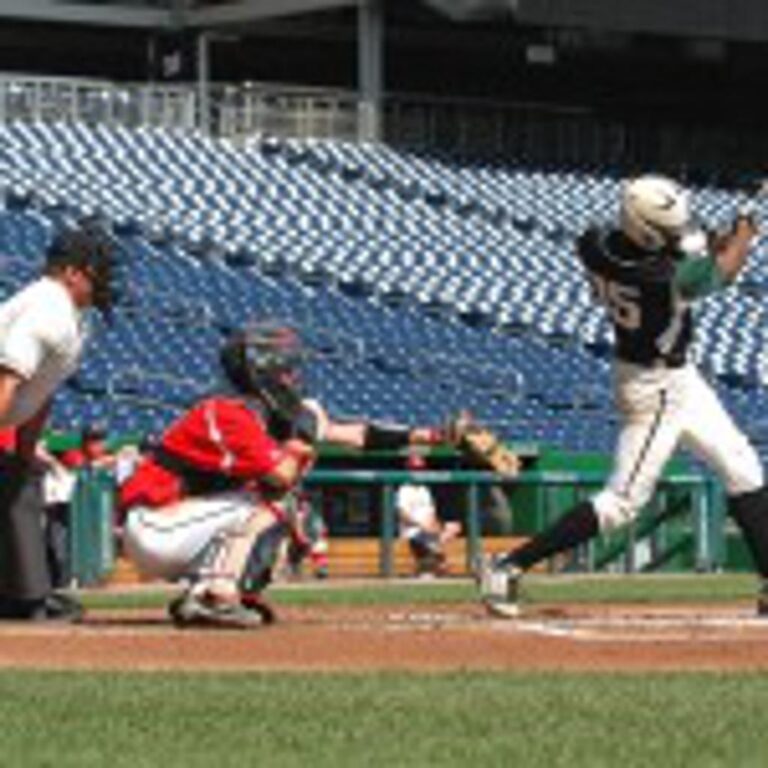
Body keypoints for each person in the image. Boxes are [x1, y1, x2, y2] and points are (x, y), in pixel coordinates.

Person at [480, 174, 768, 616]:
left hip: (672, 376)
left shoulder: (597, 243)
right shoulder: (660, 276)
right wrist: (745, 234)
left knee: (742, 466)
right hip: (655, 390)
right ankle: (508, 565)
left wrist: (720, 236)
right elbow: (721, 270)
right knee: (622, 503)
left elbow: (691, 248)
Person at [118, 320, 444, 628]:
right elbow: (283, 476)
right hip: (155, 524)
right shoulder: (227, 412)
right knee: (279, 503)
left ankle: (210, 592)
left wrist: (432, 435)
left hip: (184, 524)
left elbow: (357, 435)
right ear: (262, 374)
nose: (293, 378)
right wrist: (302, 437)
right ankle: (216, 595)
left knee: (290, 514)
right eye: (285, 371)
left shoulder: (261, 414)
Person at [0, 226, 114, 621]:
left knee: (20, 479)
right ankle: (26, 597)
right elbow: (5, 380)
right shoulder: (47, 306)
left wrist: (24, 454)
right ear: (71, 272)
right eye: (95, 270)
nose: (103, 279)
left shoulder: (70, 315)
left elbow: (40, 392)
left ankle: (22, 595)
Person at [396, 452, 461, 577]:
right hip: (413, 532)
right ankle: (437, 564)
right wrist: (421, 525)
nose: (418, 473)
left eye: (420, 469)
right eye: (415, 469)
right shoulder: (404, 489)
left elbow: (432, 513)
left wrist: (436, 526)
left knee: (453, 526)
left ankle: (439, 563)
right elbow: (402, 514)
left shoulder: (424, 489)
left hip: (428, 532)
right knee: (431, 543)